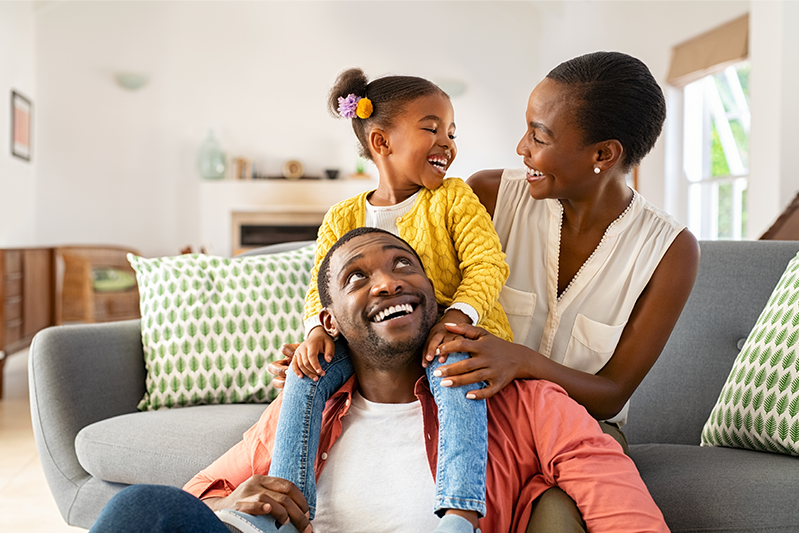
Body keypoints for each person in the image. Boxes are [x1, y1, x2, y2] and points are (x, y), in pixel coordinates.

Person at [89, 228, 669, 533]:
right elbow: (202, 494)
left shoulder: (520, 398)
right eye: (357, 277)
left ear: (435, 298)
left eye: (402, 265)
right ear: (330, 319)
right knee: (140, 512)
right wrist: (232, 503)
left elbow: (617, 501)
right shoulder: (303, 411)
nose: (389, 282)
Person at [420, 51, 699, 527]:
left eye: (539, 136)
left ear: (603, 154)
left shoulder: (670, 251)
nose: (520, 147)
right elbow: (418, 295)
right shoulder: (486, 197)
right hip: (481, 418)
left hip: (585, 433)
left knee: (558, 522)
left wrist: (524, 361)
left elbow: (612, 393)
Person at [269, 68, 513, 532]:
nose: (447, 141)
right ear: (381, 142)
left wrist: (458, 316)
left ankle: (459, 514)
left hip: (449, 331)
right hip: (371, 345)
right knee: (304, 374)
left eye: (451, 131)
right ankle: (286, 506)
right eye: (431, 128)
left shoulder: (454, 199)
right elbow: (319, 288)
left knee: (453, 368)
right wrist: (316, 331)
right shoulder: (343, 216)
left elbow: (488, 264)